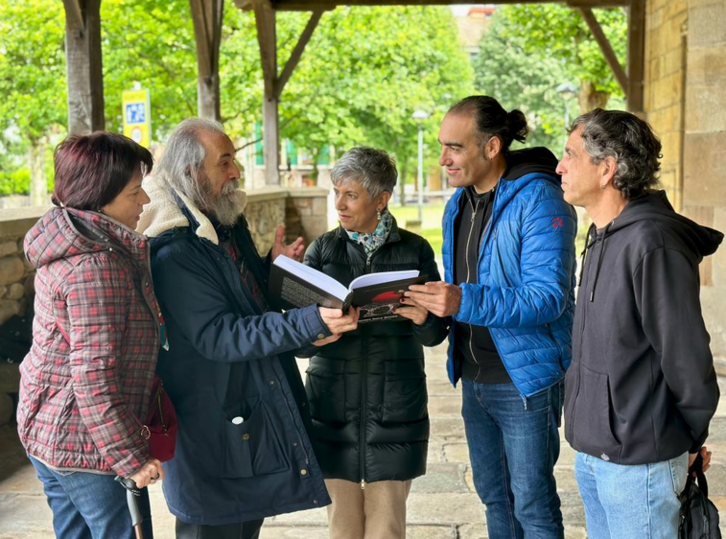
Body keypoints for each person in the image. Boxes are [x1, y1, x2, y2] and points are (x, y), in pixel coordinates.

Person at [136, 118, 359, 539]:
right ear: (191, 172)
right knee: (212, 527)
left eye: (233, 159)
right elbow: (220, 335)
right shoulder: (176, 250)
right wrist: (308, 321)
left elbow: (243, 299)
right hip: (211, 427)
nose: (236, 171)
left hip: (244, 416)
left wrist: (271, 269)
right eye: (225, 162)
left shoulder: (223, 222)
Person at [405, 96, 577, 539]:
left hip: (523, 381)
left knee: (533, 505)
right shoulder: (457, 205)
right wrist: (426, 312)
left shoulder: (540, 198)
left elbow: (547, 298)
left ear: (492, 147)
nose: (443, 158)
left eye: (455, 148)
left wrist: (462, 300)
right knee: (494, 497)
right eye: (442, 146)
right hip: (474, 378)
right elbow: (457, 294)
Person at [557, 108, 722, 539]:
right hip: (595, 455)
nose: (560, 166)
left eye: (571, 154)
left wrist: (686, 440)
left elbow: (687, 358)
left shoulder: (652, 242)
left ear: (607, 169)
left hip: (640, 466)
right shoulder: (601, 233)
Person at [17, 132, 163, 539]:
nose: (145, 201)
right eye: (136, 191)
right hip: (86, 445)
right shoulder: (96, 266)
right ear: (102, 197)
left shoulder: (69, 240)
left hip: (47, 428)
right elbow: (93, 377)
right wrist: (130, 457)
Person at [301, 147, 449, 539]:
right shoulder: (322, 250)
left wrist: (424, 318)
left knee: (387, 530)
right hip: (331, 409)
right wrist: (319, 327)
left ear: (381, 199)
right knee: (342, 530)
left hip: (395, 411)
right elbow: (299, 342)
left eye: (351, 194)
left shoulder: (415, 250)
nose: (340, 204)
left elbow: (436, 334)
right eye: (337, 192)